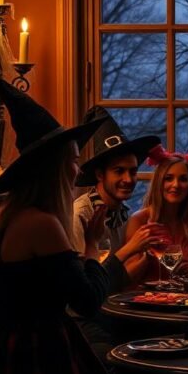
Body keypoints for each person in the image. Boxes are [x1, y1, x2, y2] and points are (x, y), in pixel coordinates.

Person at [0, 77, 139, 374]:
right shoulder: (42, 224)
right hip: (37, 363)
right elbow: (87, 302)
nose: (78, 171)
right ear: (54, 167)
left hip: (10, 352)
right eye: (73, 161)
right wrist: (91, 246)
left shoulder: (9, 216)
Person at [72, 105, 163, 264]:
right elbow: (86, 281)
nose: (128, 179)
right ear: (100, 174)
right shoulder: (81, 215)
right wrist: (132, 248)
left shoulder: (125, 214)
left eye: (133, 171)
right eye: (119, 171)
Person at [124, 145, 188, 286]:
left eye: (183, 179)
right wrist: (147, 255)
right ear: (159, 182)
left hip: (186, 301)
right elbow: (128, 277)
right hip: (147, 300)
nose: (176, 185)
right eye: (168, 178)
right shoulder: (140, 220)